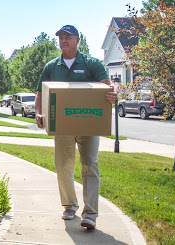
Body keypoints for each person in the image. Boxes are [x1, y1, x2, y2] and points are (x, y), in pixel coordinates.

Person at [34, 25, 116, 230]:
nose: (63, 40)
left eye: (68, 37)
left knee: (90, 165)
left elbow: (106, 88)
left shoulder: (91, 64)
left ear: (77, 40)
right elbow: (40, 93)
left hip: (87, 124)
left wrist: (112, 96)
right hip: (61, 126)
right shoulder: (51, 66)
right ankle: (69, 205)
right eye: (61, 37)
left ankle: (90, 214)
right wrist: (38, 112)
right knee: (63, 165)